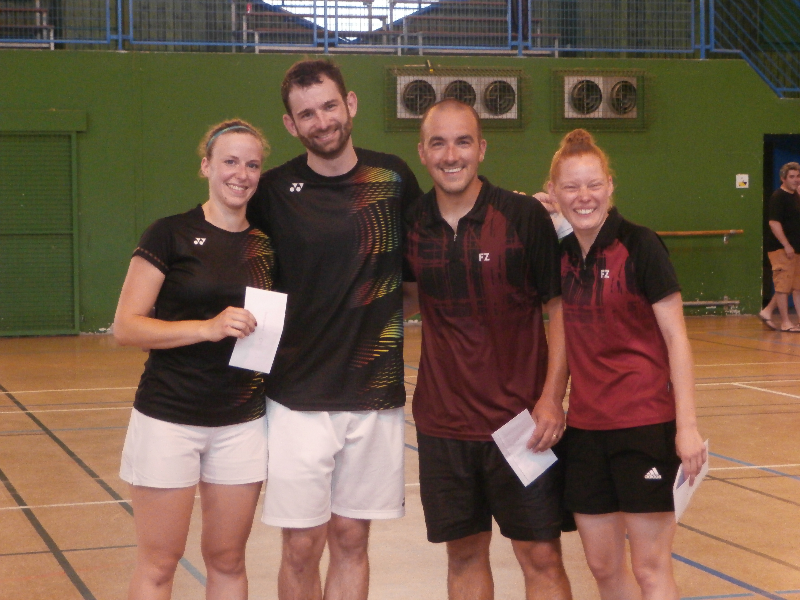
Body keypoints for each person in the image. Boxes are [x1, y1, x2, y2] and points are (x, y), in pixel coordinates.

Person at [246, 59, 422, 600]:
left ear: (350, 104)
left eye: (329, 106)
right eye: (307, 114)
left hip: (374, 395)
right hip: (296, 397)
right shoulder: (272, 192)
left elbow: (424, 272)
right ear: (290, 125)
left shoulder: (393, 179)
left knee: (351, 538)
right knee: (301, 546)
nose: (321, 121)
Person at [403, 99, 573, 600]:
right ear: (422, 152)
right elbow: (405, 295)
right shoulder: (411, 223)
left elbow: (559, 308)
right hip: (443, 426)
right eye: (438, 143)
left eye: (462, 142)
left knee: (541, 557)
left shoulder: (522, 216)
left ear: (481, 148)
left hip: (522, 425)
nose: (450, 155)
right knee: (463, 555)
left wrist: (551, 398)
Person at [114, 120, 274, 600]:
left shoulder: (268, 244)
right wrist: (206, 328)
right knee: (160, 563)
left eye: (252, 165)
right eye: (230, 161)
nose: (241, 174)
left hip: (242, 423)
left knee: (228, 560)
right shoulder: (170, 234)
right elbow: (126, 327)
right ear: (206, 166)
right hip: (169, 419)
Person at [547, 129, 706, 600]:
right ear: (554, 192)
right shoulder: (559, 256)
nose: (584, 196)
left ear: (610, 186)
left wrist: (687, 427)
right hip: (586, 432)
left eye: (593, 184)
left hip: (645, 427)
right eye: (571, 187)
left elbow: (677, 339)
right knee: (602, 566)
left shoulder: (640, 245)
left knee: (650, 568)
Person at [760, 161, 800, 331]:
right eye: (792, 176)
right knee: (783, 287)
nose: (796, 179)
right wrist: (786, 245)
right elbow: (774, 223)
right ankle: (785, 322)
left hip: (796, 248)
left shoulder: (795, 196)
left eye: (798, 176)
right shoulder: (778, 197)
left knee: (795, 286)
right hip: (781, 249)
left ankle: (767, 312)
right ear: (783, 178)